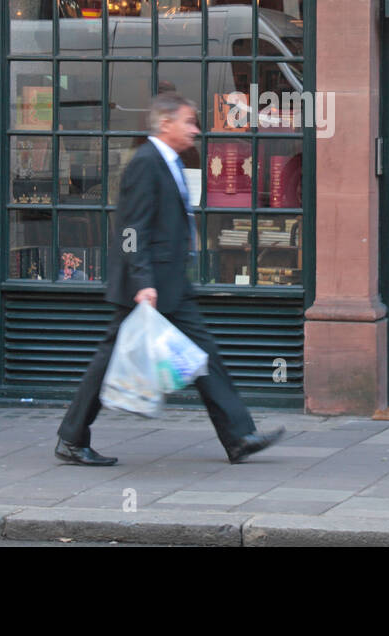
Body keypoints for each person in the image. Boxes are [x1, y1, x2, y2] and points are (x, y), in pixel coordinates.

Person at [55, 92, 284, 466]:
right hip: (148, 288)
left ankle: (239, 436)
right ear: (166, 124)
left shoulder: (171, 161)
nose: (195, 129)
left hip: (170, 284)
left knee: (203, 357)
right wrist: (143, 282)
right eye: (189, 122)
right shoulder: (146, 162)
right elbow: (131, 229)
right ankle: (71, 437)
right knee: (112, 360)